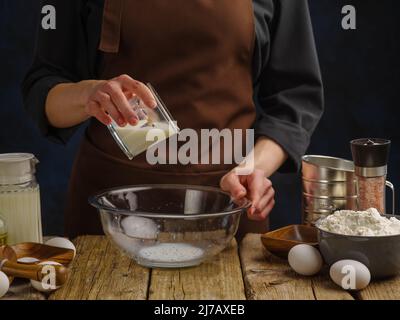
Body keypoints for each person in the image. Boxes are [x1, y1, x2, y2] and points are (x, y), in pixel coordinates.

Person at [22, 0, 324, 239]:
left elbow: (294, 99)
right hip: (111, 216)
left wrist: (252, 169)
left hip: (229, 208)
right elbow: (44, 89)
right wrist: (88, 94)